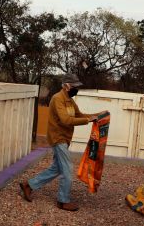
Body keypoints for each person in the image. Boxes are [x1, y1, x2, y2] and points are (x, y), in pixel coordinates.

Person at [19, 73, 101, 211]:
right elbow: (66, 120)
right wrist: (89, 120)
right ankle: (63, 200)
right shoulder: (58, 99)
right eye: (75, 86)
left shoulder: (69, 100)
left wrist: (96, 116)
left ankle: (29, 185)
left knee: (56, 168)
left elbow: (79, 115)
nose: (76, 89)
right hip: (58, 138)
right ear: (67, 86)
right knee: (67, 169)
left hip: (65, 138)